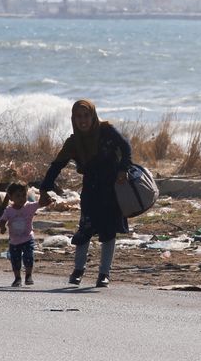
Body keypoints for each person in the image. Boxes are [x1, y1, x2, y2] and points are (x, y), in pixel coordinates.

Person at [40, 99, 132, 288]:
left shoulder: (107, 130)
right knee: (85, 229)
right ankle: (78, 270)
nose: (83, 120)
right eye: (78, 117)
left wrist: (123, 169)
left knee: (109, 231)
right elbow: (57, 166)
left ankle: (104, 274)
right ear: (73, 119)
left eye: (86, 116)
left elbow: (126, 148)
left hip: (112, 189)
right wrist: (44, 188)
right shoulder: (73, 143)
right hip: (91, 190)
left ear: (93, 116)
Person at [0, 182, 50, 287]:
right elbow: (2, 220)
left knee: (28, 257)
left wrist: (46, 196)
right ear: (11, 197)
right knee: (15, 260)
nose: (21, 198)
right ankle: (17, 278)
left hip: (27, 238)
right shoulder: (9, 210)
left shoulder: (29, 207)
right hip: (14, 241)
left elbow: (42, 203)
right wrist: (2, 227)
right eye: (18, 196)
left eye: (23, 195)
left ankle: (28, 276)